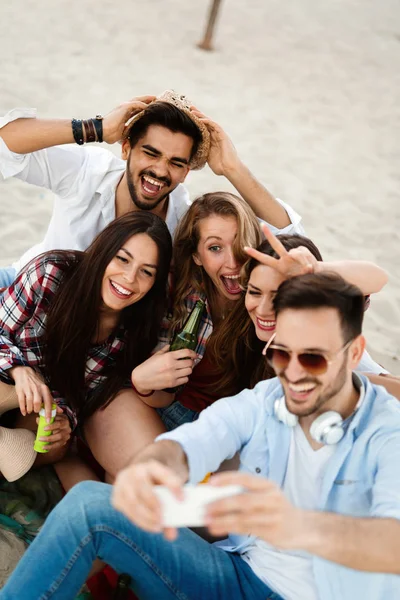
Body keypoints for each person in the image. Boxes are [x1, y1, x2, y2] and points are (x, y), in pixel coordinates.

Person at [3, 272, 400, 600]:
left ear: (353, 353)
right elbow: (199, 440)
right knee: (92, 504)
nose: (293, 374)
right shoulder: (268, 398)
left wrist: (294, 525)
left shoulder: (385, 431)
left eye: (312, 357)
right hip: (235, 574)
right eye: (281, 354)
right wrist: (152, 471)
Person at [84, 198, 387, 480]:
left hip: (232, 433)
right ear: (196, 256)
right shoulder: (181, 296)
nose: (232, 262)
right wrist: (144, 383)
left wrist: (314, 270)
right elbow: (164, 392)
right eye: (215, 248)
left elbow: (374, 279)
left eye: (240, 246)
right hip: (171, 412)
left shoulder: (272, 290)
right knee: (109, 415)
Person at [0, 91, 302, 288]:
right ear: (127, 148)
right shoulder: (86, 172)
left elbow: (292, 241)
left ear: (186, 172)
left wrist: (234, 170)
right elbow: (6, 144)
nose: (159, 170)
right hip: (23, 284)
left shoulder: (184, 220)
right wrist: (98, 128)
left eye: (175, 162)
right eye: (151, 153)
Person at [0, 211, 174, 482]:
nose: (129, 278)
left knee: (53, 442)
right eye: (122, 259)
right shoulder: (51, 273)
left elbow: (85, 396)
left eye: (146, 272)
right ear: (104, 251)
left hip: (40, 407)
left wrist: (63, 421)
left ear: (155, 281)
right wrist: (18, 370)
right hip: (6, 378)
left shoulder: (146, 326)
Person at [208, 225, 391, 395]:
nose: (263, 310)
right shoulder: (244, 334)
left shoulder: (328, 348)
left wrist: (317, 270)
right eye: (255, 292)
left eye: (278, 296)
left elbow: (379, 278)